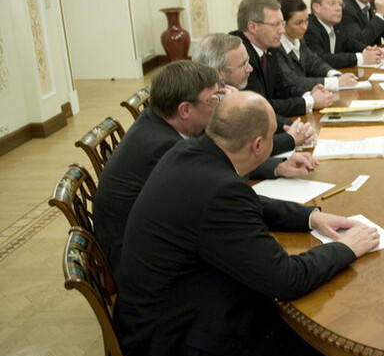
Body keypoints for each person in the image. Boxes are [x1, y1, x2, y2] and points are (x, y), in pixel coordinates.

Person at [115, 92, 380, 356]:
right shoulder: (219, 191)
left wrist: (311, 216)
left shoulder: (193, 153)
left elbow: (249, 200)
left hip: (161, 315)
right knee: (322, 353)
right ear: (258, 145)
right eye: (274, 136)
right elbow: (286, 277)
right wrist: (346, 248)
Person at [93, 61, 319, 274]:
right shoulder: (166, 148)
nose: (219, 105)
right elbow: (228, 192)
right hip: (143, 265)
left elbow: (222, 160)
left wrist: (277, 168)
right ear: (184, 110)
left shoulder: (158, 122)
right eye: (214, 99)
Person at [195, 32, 316, 149]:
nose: (250, 68)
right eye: (243, 64)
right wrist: (290, 139)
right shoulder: (206, 105)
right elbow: (246, 148)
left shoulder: (230, 90)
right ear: (220, 72)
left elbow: (262, 116)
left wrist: (296, 128)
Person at [230, 0, 334, 116]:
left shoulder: (269, 48)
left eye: (282, 24)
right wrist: (310, 101)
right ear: (253, 27)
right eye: (275, 25)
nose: (282, 30)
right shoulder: (239, 55)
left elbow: (284, 86)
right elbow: (260, 107)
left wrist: (310, 94)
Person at [275, 0, 357, 91]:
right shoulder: (275, 47)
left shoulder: (299, 39)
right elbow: (292, 82)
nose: (304, 27)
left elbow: (314, 62)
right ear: (283, 24)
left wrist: (335, 75)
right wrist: (335, 82)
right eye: (299, 23)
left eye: (306, 21)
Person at [305, 0, 384, 68]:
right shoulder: (308, 28)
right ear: (317, 8)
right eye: (332, 4)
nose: (338, 8)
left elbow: (349, 43)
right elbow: (321, 59)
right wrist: (361, 58)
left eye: (340, 4)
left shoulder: (336, 25)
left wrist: (367, 50)